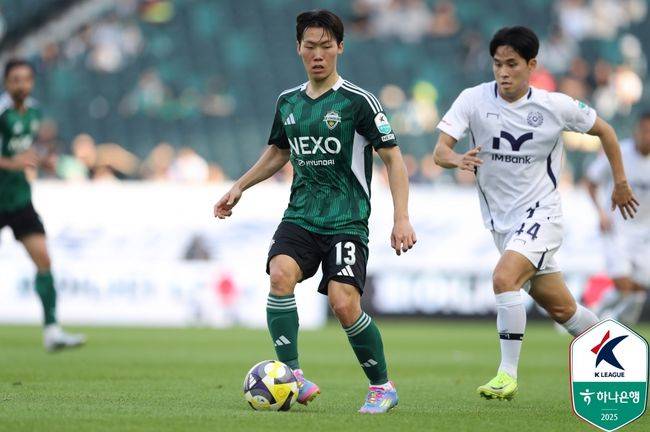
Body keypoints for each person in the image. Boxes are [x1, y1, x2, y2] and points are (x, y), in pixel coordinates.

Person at [214, 10, 416, 413]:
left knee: (343, 303)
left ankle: (382, 386)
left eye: (326, 46)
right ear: (298, 49)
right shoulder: (288, 102)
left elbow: (393, 159)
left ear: (340, 47)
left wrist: (401, 218)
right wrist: (240, 186)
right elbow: (279, 151)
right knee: (279, 274)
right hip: (301, 215)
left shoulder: (358, 102)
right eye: (310, 46)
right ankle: (292, 375)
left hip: (347, 220)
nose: (318, 54)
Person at [432, 26, 637, 400]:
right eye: (497, 64)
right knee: (564, 311)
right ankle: (624, 363)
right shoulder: (472, 100)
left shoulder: (554, 106)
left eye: (512, 64)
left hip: (543, 216)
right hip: (502, 225)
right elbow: (440, 151)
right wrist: (456, 158)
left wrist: (620, 182)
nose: (503, 72)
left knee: (503, 278)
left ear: (531, 65)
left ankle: (506, 375)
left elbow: (606, 131)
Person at [0, 59, 86, 351]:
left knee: (44, 260)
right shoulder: (2, 113)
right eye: (15, 79)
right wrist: (12, 163)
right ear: (6, 83)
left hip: (19, 199)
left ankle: (52, 331)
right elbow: (14, 157)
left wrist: (42, 160)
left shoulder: (34, 112)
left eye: (26, 79)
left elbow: (26, 149)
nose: (21, 84)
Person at [585, 113, 650, 325]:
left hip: (645, 234)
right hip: (617, 229)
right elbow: (591, 181)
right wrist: (601, 213)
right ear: (636, 131)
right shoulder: (619, 152)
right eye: (644, 131)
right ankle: (603, 321)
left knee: (638, 291)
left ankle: (597, 312)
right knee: (623, 285)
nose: (647, 136)